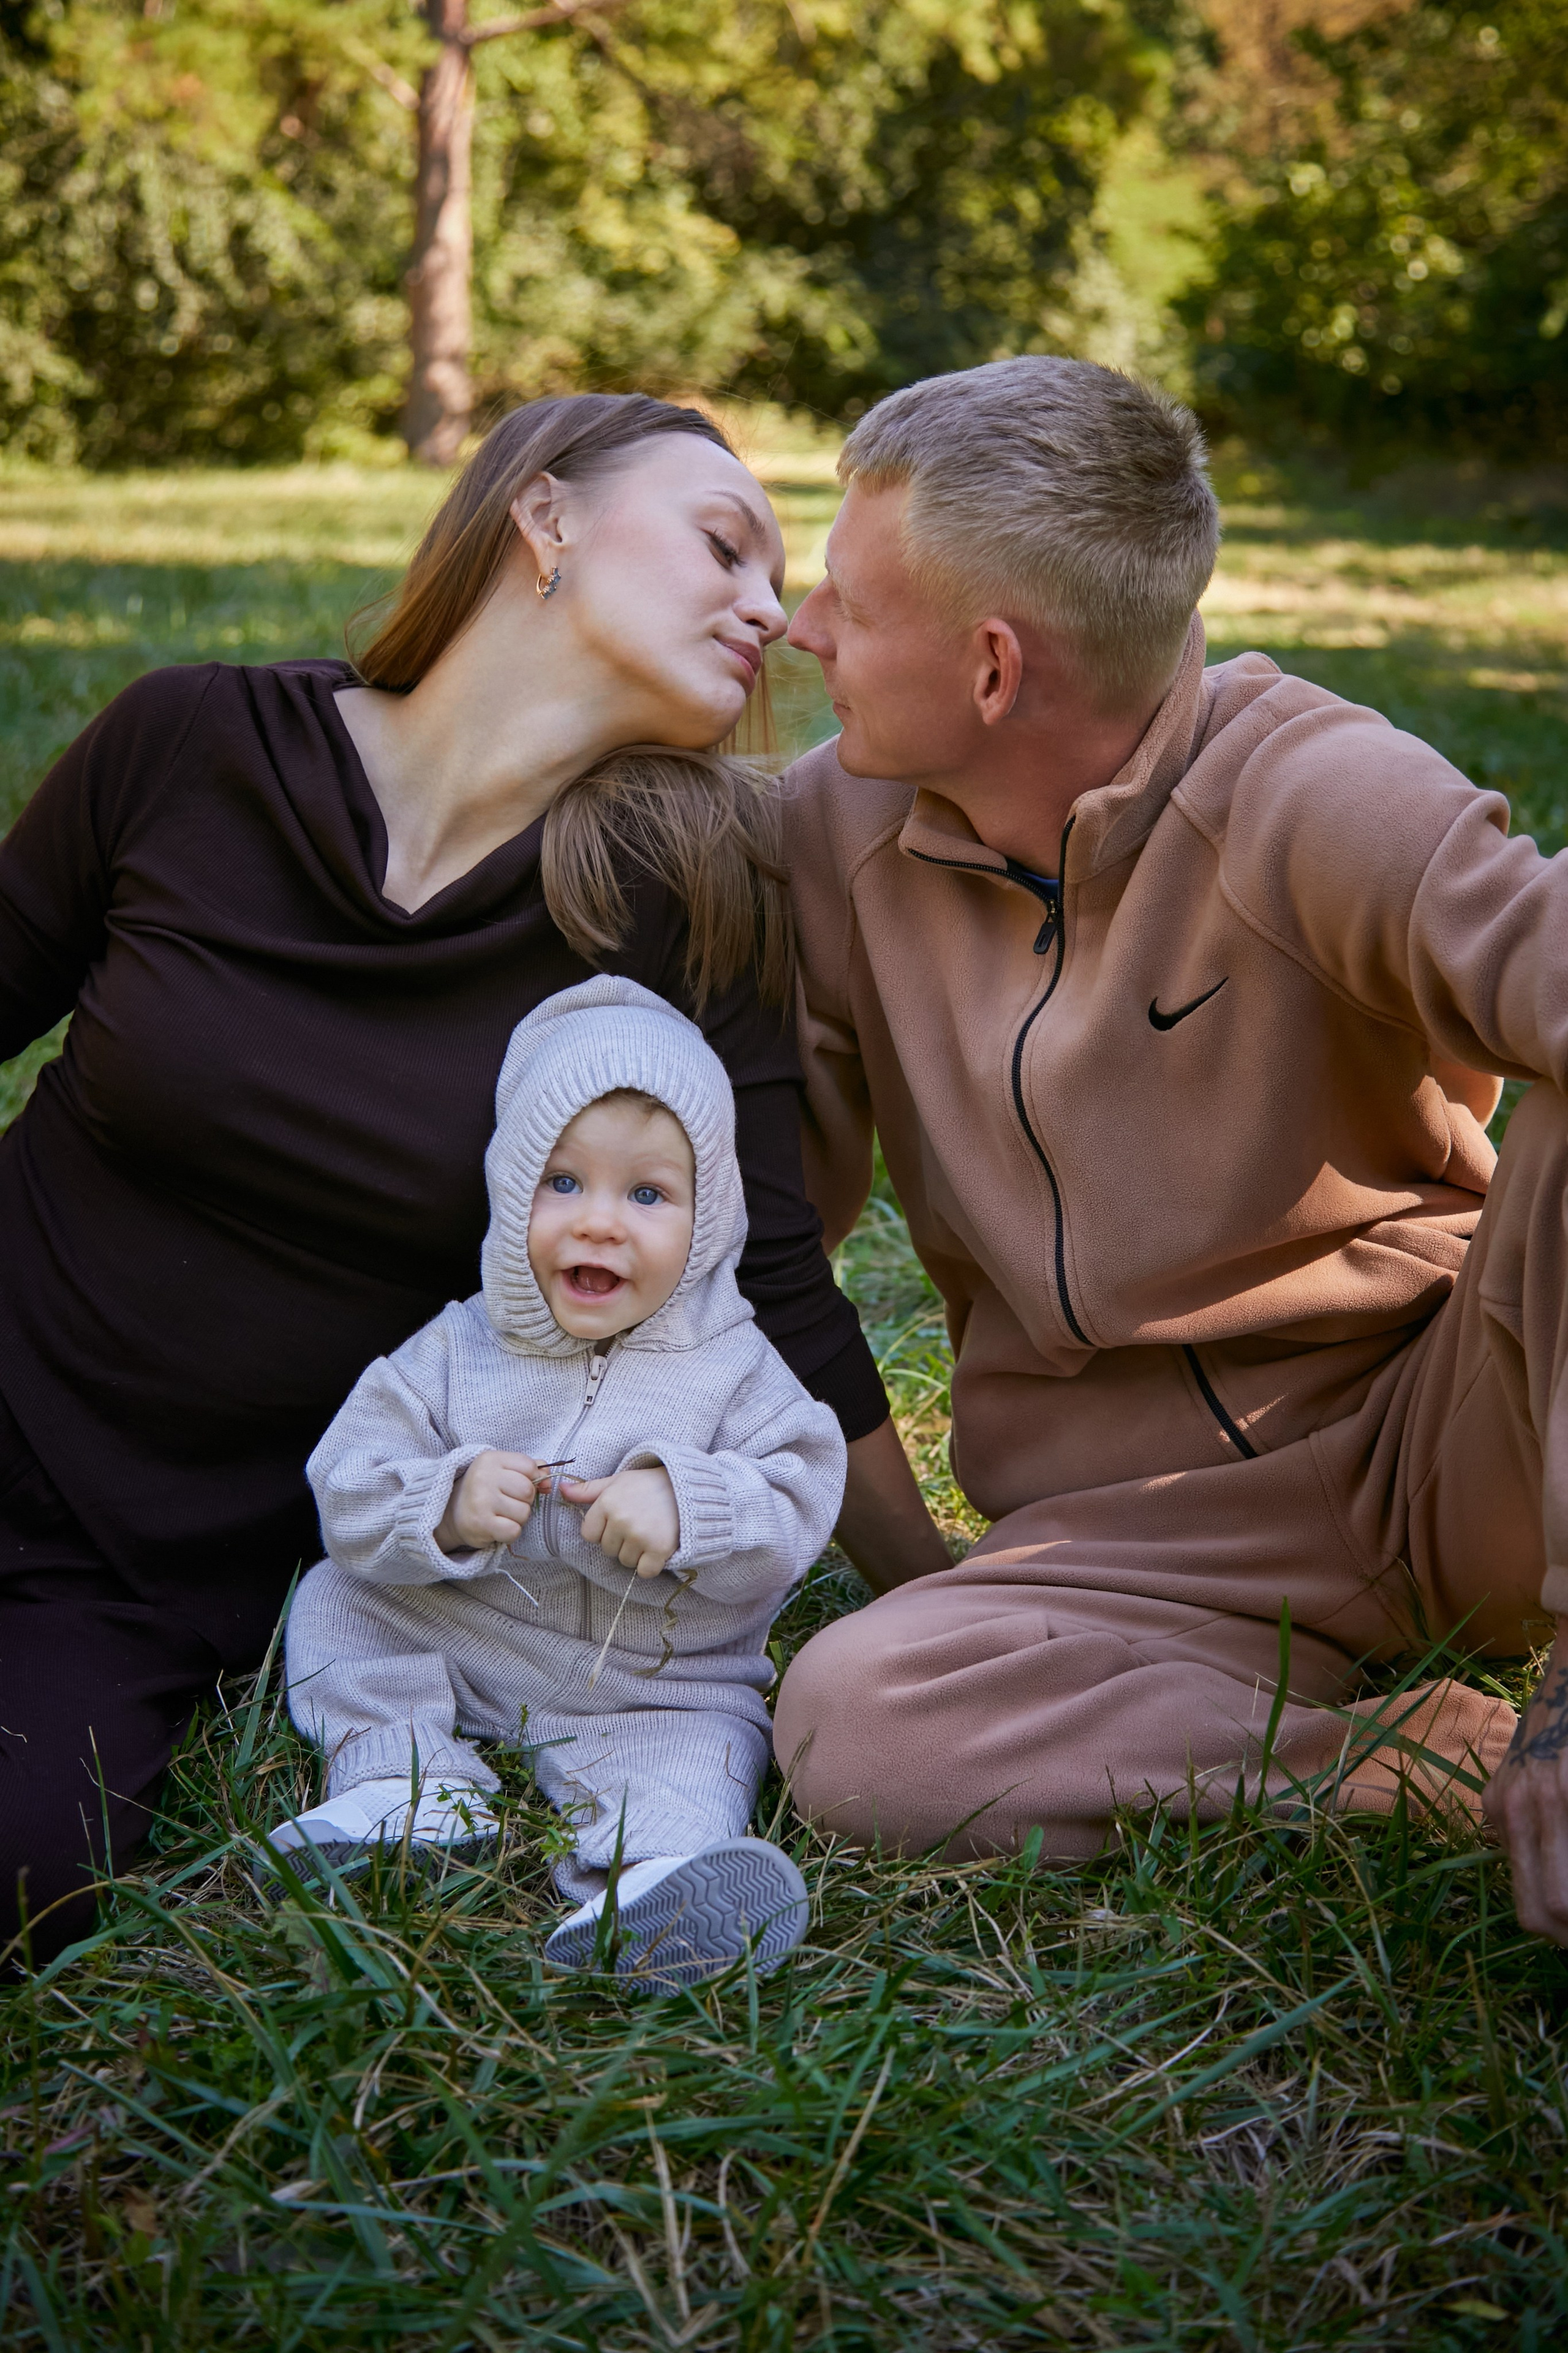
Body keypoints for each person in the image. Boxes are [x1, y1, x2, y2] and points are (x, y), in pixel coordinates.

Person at [0, 392, 891, 1967]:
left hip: (146, 1563)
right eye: (723, 542)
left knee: (26, 1870)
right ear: (542, 518)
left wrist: (930, 1591)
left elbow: (772, 1287)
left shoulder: (673, 904)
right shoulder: (194, 740)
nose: (773, 607)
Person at [772, 354, 1568, 1949]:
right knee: (857, 1726)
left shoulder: (1315, 793)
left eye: (847, 604)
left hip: (1450, 1433)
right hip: (1140, 1538)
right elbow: (771, 1232)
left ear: (995, 668)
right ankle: (1414, 1765)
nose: (802, 631)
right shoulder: (826, 842)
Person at [272, 976, 842, 1985]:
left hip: (656, 1678)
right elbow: (346, 1476)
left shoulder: (736, 1366)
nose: (599, 1224)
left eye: (650, 1194)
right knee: (338, 1607)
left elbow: (802, 1489)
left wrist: (690, 1504)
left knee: (705, 1749)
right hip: (467, 1628)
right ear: (508, 1189)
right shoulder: (457, 1346)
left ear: (710, 1219)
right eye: (563, 1183)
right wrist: (442, 1503)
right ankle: (411, 1792)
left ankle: (656, 1874)